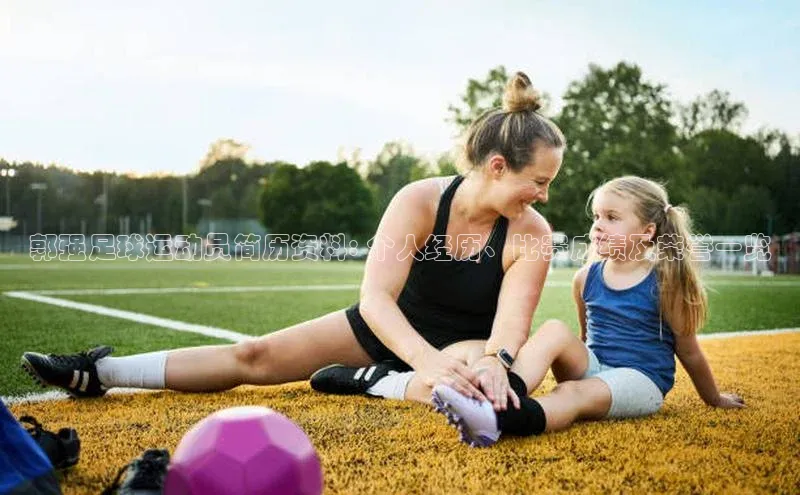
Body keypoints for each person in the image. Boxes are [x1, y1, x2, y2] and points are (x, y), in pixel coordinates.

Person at [20, 72, 565, 411]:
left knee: (475, 385)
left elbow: (506, 333)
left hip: (460, 346)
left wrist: (491, 362)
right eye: (539, 182)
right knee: (254, 356)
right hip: (388, 328)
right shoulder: (420, 200)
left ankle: (378, 383)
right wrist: (420, 359)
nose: (544, 196)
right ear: (497, 166)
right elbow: (376, 299)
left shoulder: (532, 235)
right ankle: (101, 372)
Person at [430, 176, 746, 447]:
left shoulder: (666, 283)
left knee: (570, 391)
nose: (597, 226)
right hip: (595, 365)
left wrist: (714, 398)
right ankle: (496, 394)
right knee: (555, 329)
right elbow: (582, 339)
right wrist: (577, 357)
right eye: (596, 216)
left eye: (612, 217)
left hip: (640, 381)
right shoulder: (585, 278)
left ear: (647, 231)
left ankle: (504, 418)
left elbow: (689, 352)